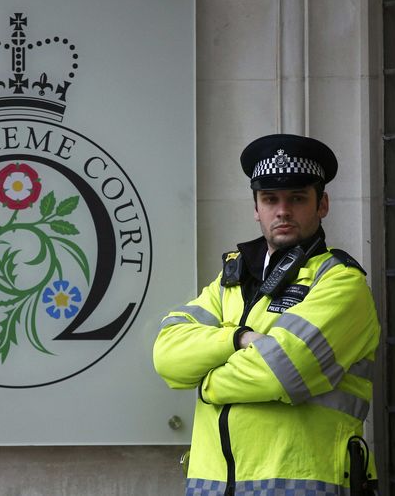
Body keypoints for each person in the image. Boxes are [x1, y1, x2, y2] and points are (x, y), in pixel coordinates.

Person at [153, 134, 380, 496]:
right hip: (213, 486)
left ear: (322, 204)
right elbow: (167, 355)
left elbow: (281, 372)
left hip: (304, 484)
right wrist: (237, 338)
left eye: (297, 199)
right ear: (256, 208)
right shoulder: (231, 279)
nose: (283, 210)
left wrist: (206, 383)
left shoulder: (341, 283)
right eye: (270, 199)